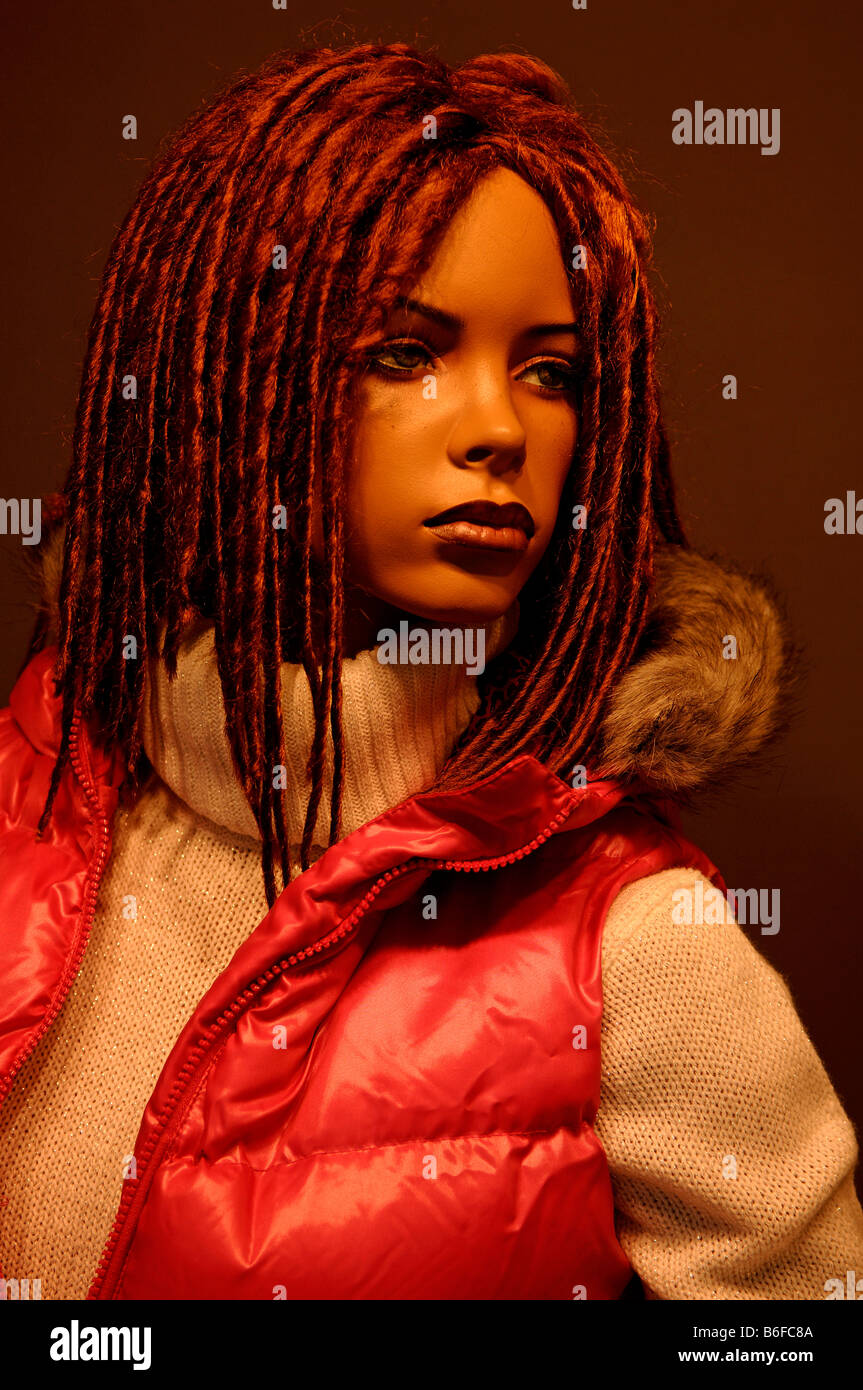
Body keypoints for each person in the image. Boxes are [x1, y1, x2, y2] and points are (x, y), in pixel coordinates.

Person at [0, 41, 860, 1301]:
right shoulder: (32, 796)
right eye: (406, 352)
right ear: (230, 382)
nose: (500, 429)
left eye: (551, 373)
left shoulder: (629, 936)